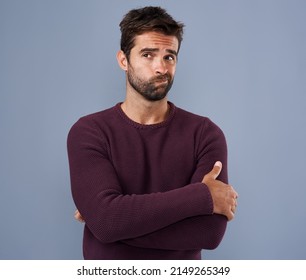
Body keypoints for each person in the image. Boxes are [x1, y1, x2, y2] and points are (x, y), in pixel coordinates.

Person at [67, 6, 238, 260]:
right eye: (148, 54)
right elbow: (107, 221)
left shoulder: (205, 134)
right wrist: (200, 196)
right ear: (123, 60)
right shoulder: (90, 132)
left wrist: (109, 221)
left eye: (170, 56)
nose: (161, 68)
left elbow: (209, 232)